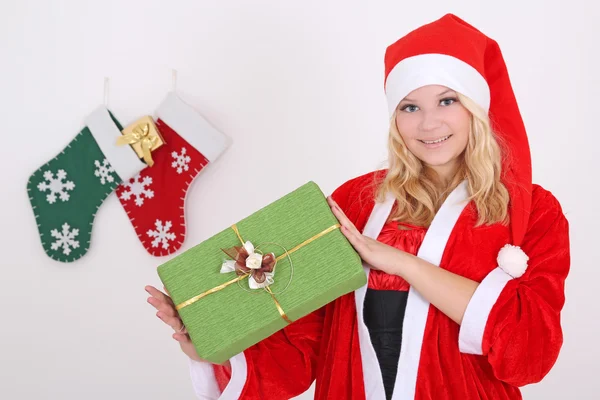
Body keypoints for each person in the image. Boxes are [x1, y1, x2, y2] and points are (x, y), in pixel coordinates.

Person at [145, 13, 570, 400]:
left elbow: (529, 354)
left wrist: (402, 263)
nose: (429, 123)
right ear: (395, 118)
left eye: (447, 100)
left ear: (476, 108)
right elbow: (302, 350)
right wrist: (204, 341)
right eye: (410, 107)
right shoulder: (354, 201)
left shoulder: (530, 212)